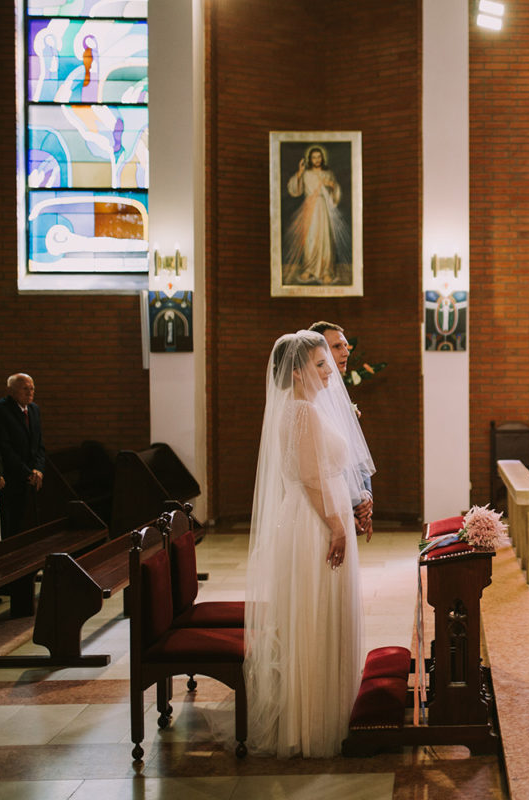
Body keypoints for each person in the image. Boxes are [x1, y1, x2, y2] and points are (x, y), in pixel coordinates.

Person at [244, 330, 375, 757]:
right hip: (314, 523)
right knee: (315, 615)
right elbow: (312, 478)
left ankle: (327, 710)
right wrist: (337, 526)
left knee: (323, 613)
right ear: (298, 374)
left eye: (326, 363)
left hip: (320, 516)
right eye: (320, 365)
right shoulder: (302, 413)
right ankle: (314, 725)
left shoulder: (309, 409)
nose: (329, 372)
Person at [309, 320, 373, 541]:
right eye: (337, 347)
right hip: (322, 511)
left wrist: (364, 499)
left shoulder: (339, 395)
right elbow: (314, 469)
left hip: (347, 506)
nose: (346, 351)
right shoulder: (308, 400)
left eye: (346, 346)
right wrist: (345, 506)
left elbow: (354, 455)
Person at [282, 146, 350, 286]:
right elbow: (296, 191)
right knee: (310, 238)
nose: (317, 160)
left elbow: (335, 191)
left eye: (319, 157)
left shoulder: (328, 173)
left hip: (323, 208)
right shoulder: (306, 174)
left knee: (324, 238)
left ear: (322, 158)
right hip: (310, 208)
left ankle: (326, 271)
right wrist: (300, 173)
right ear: (310, 159)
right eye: (314, 157)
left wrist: (331, 184)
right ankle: (309, 268)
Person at [0, 373, 45, 538]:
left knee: (26, 525)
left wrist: (38, 469)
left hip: (32, 477)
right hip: (11, 476)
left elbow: (39, 445)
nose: (30, 393)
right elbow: (4, 448)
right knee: (10, 525)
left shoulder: (34, 409)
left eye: (32, 389)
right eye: (25, 389)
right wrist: (27, 472)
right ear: (11, 391)